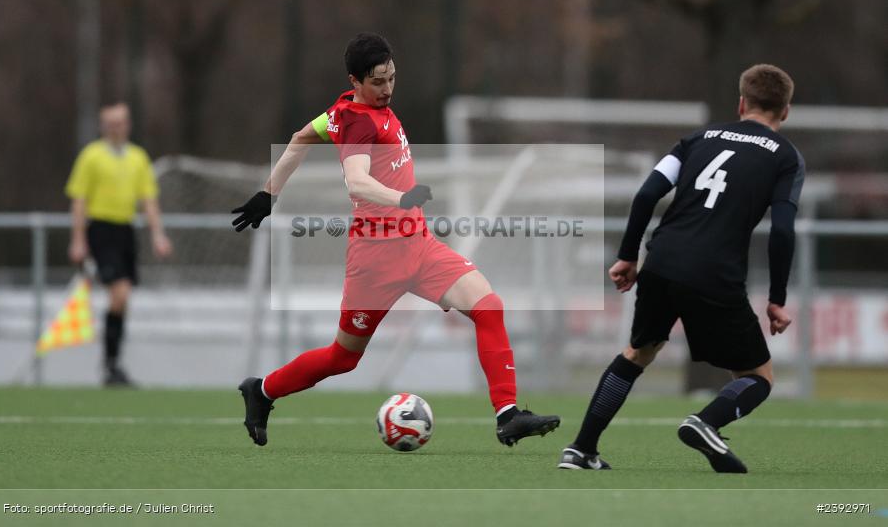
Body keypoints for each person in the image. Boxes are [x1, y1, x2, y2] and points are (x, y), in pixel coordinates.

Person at [232, 32, 560, 447]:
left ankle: (507, 414)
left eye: (391, 79)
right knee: (343, 357)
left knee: (488, 307)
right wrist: (402, 198)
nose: (387, 89)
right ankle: (261, 391)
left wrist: (268, 193)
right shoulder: (354, 122)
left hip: (418, 246)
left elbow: (299, 139)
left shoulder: (340, 112)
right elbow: (357, 181)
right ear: (355, 80)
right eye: (377, 82)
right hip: (375, 260)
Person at [557, 64, 804, 472]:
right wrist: (777, 299)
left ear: (741, 102)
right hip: (714, 272)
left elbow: (647, 194)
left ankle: (581, 449)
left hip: (663, 260)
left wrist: (628, 255)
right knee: (758, 376)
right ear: (786, 111)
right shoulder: (787, 157)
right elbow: (781, 231)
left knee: (638, 352)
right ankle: (705, 423)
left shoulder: (697, 139)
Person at [66, 102, 172, 386]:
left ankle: (113, 365)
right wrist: (78, 239)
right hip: (100, 230)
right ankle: (111, 364)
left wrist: (158, 234)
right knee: (120, 294)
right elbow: (78, 199)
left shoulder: (138, 158)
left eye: (121, 122)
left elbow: (149, 199)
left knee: (122, 301)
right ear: (103, 126)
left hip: (126, 231)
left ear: (128, 124)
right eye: (111, 123)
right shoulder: (91, 156)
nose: (116, 128)